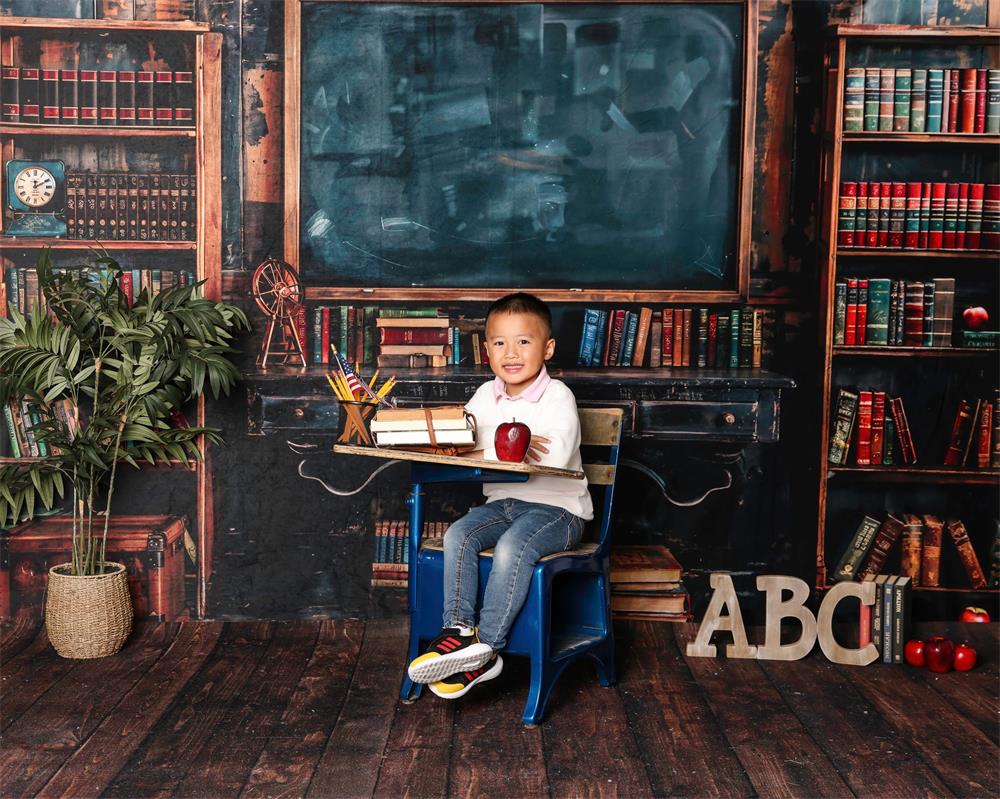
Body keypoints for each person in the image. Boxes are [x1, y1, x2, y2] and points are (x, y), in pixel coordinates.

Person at [407, 292, 593, 699]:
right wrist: (508, 447)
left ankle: (486, 648)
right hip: (502, 505)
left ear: (547, 348)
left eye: (523, 342)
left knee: (511, 547)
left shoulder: (557, 395)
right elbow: (459, 445)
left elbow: (556, 456)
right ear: (486, 349)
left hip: (558, 511)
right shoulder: (484, 396)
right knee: (459, 534)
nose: (511, 353)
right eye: (500, 342)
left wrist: (488, 448)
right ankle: (457, 631)